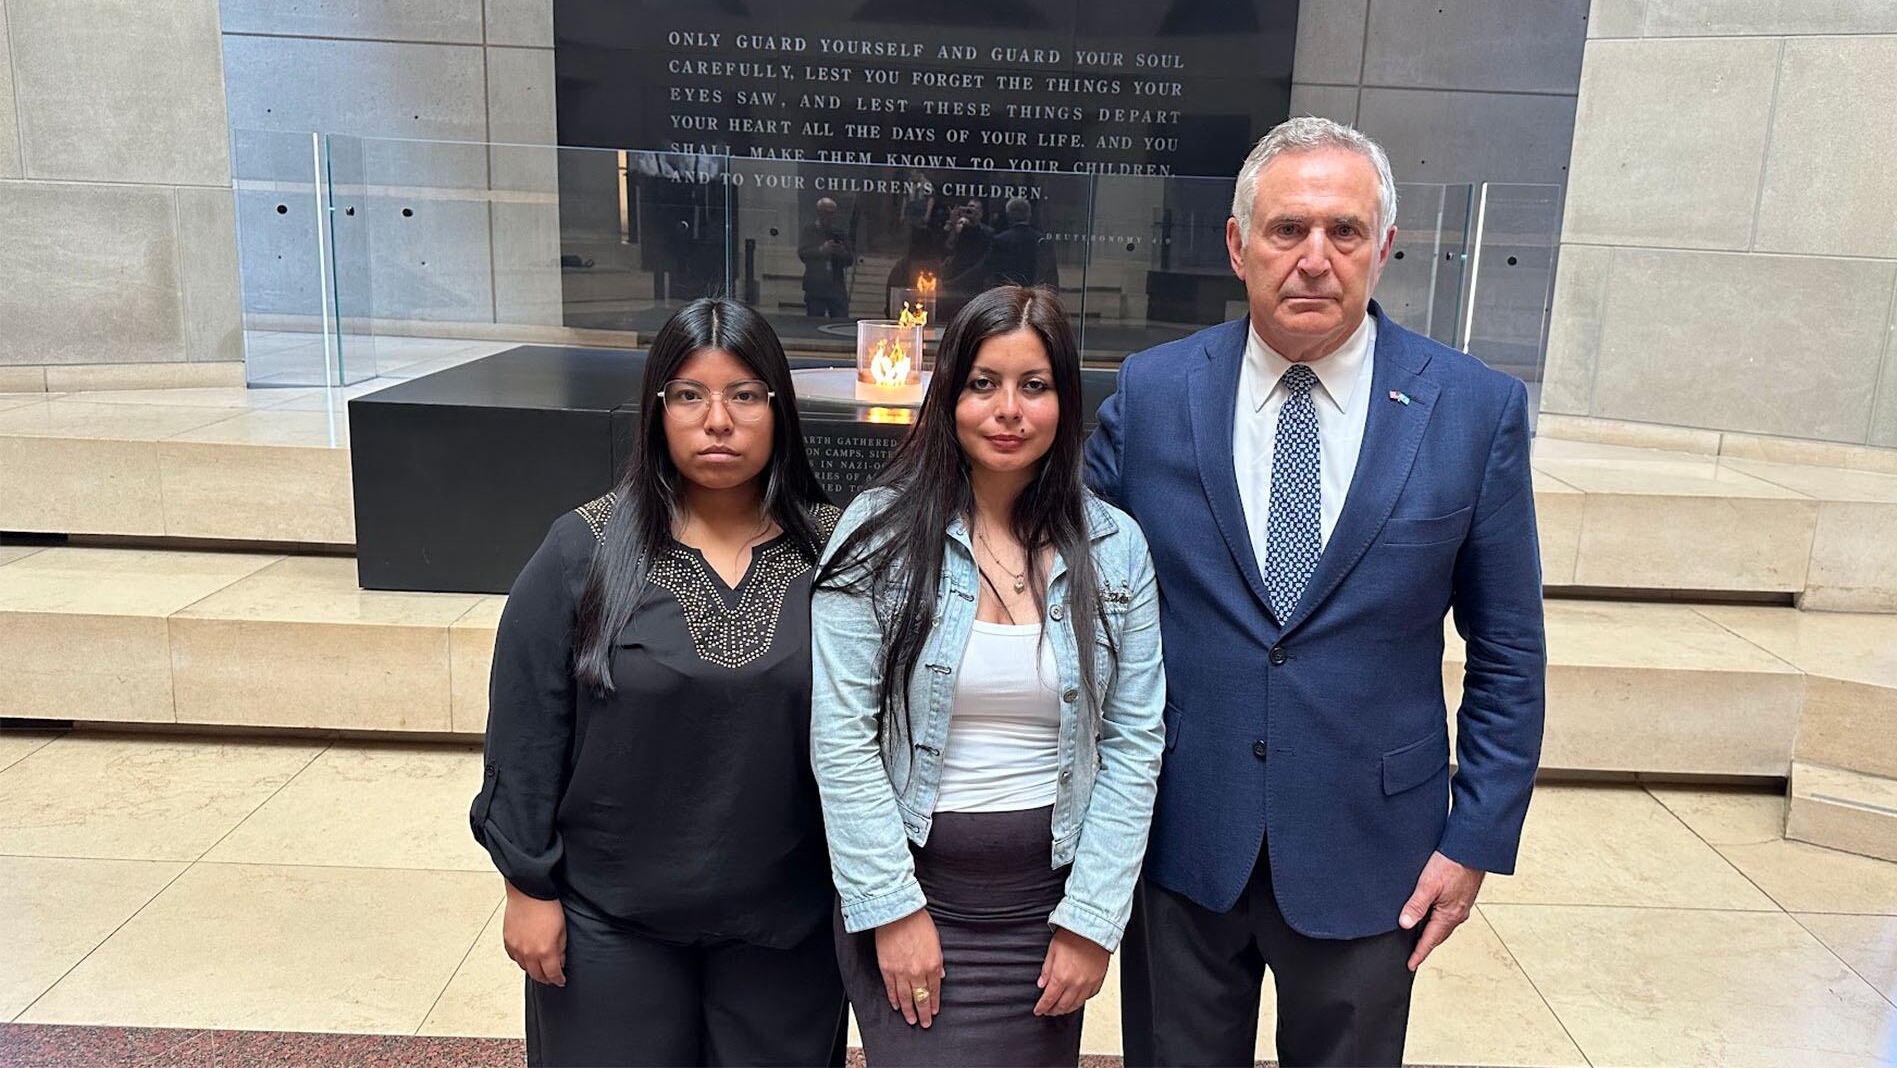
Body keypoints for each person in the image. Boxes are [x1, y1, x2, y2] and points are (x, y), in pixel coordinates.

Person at [1088, 117, 1547, 1066]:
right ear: (1237, 243)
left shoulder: (1473, 411)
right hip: (1182, 836)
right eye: (1287, 229)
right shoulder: (1153, 391)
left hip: (1373, 848)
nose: (1314, 259)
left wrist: (1475, 839)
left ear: (1383, 247)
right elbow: (1052, 563)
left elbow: (1509, 650)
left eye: (1343, 232)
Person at [470, 297, 849, 1066]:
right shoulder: (584, 549)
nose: (718, 421)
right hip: (610, 925)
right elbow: (525, 730)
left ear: (779, 410)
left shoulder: (837, 552)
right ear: (657, 411)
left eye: (744, 395)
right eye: (689, 395)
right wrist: (528, 886)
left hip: (786, 928)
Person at [812, 285, 1166, 1066]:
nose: (1009, 409)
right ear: (949, 396)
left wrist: (1090, 920)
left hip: (1049, 914)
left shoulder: (1117, 549)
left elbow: (1135, 743)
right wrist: (892, 909)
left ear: (1065, 401)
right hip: (916, 902)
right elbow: (841, 739)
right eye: (983, 384)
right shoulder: (876, 535)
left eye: (1033, 386)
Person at [963, 197, 1060, 289]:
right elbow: (1051, 276)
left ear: (1008, 215)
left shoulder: (1001, 241)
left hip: (1009, 297)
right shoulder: (1041, 241)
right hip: (1034, 297)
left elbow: (982, 269)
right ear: (1029, 214)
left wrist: (952, 283)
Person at [799, 197, 854, 318]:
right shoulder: (809, 231)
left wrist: (841, 252)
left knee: (840, 321)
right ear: (819, 213)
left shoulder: (839, 233)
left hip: (836, 286)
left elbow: (850, 259)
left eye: (831, 213)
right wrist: (822, 250)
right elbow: (803, 254)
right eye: (825, 213)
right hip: (815, 286)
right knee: (813, 323)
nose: (829, 217)